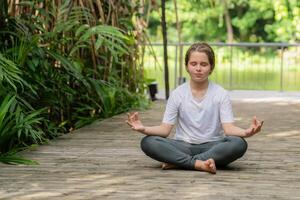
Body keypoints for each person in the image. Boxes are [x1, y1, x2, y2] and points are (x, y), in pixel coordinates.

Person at [126, 42, 264, 174]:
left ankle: (179, 162)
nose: (198, 68)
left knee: (238, 144)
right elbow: (164, 130)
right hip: (182, 146)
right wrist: (144, 129)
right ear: (187, 66)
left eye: (204, 64)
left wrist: (247, 132)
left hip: (213, 146)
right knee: (148, 142)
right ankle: (200, 164)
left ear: (211, 67)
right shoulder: (177, 94)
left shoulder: (220, 94)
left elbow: (229, 129)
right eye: (193, 64)